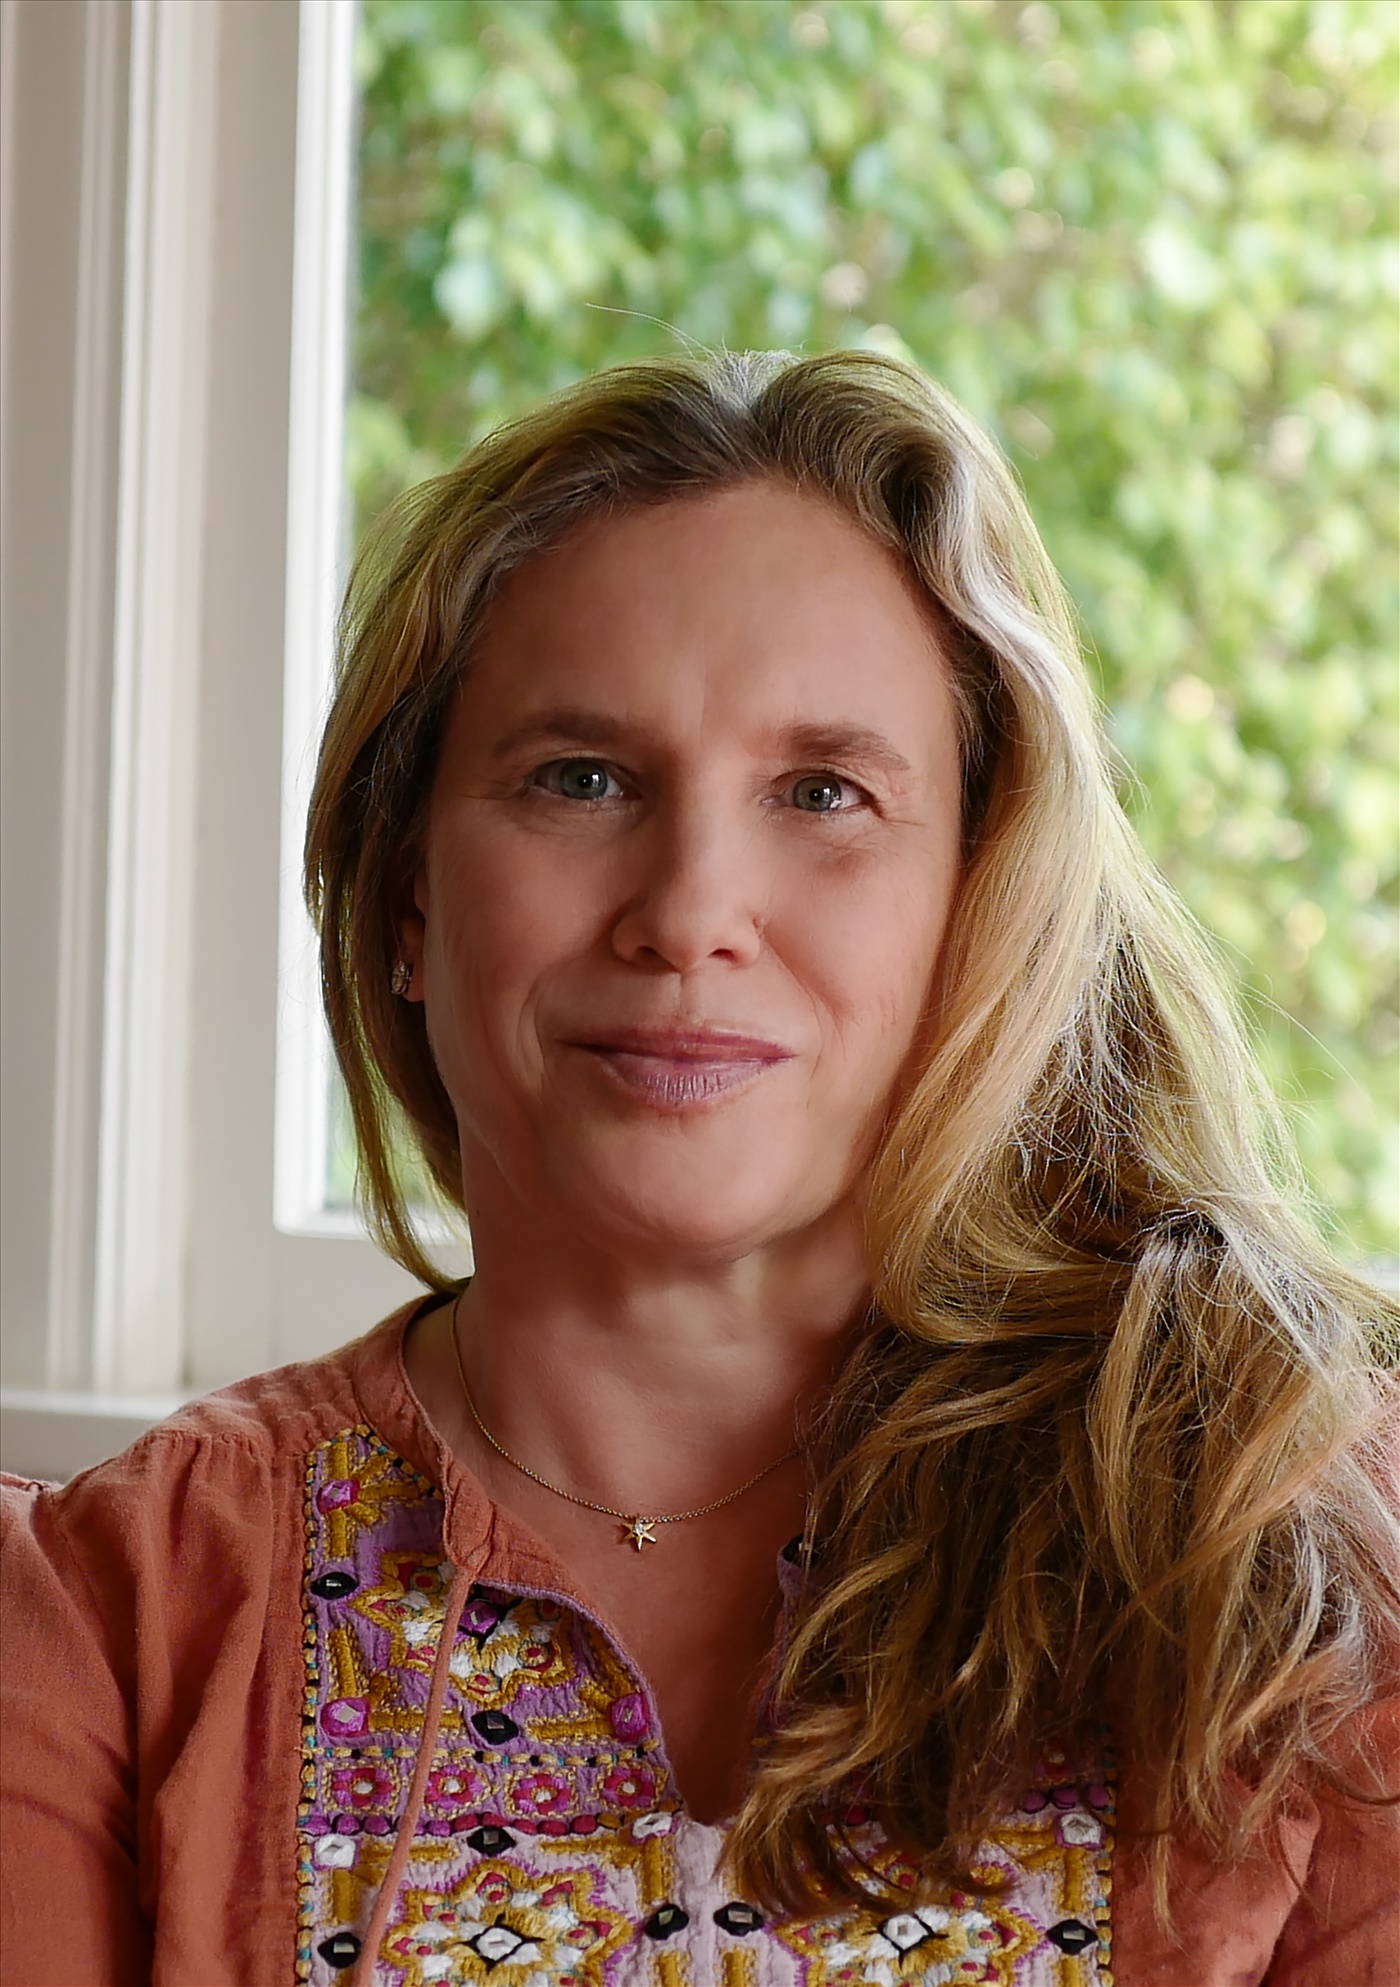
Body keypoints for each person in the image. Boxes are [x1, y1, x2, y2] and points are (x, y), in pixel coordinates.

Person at [2, 350, 1396, 1987]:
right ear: (406, 901)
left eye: (824, 793)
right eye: (581, 779)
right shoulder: (105, 1620)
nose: (688, 913)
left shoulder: (1298, 1543)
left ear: (979, 903)